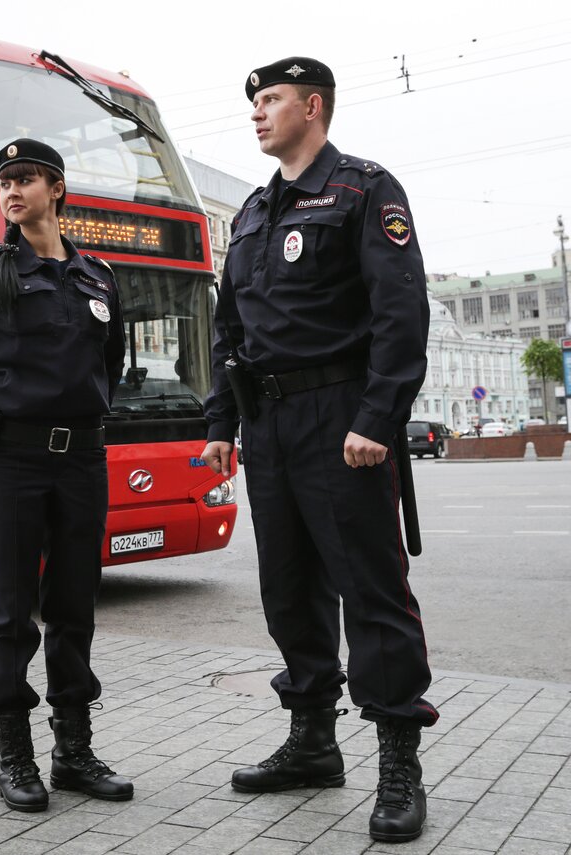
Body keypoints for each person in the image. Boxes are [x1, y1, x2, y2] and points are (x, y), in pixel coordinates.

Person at [201, 59, 438, 844]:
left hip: (343, 421)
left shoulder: (365, 189)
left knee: (371, 590)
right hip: (267, 425)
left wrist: (378, 416)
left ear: (313, 106)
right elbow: (226, 331)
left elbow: (401, 310)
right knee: (289, 590)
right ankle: (312, 742)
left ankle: (399, 761)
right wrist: (218, 427)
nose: (258, 113)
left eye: (271, 100)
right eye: (254, 102)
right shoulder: (252, 211)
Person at [0, 139, 132, 812]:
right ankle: (14, 756)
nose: (12, 191)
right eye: (5, 182)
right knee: (11, 611)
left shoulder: (97, 277)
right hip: (12, 462)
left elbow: (113, 362)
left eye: (25, 179)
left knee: (75, 606)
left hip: (81, 459)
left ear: (55, 187)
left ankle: (73, 751)